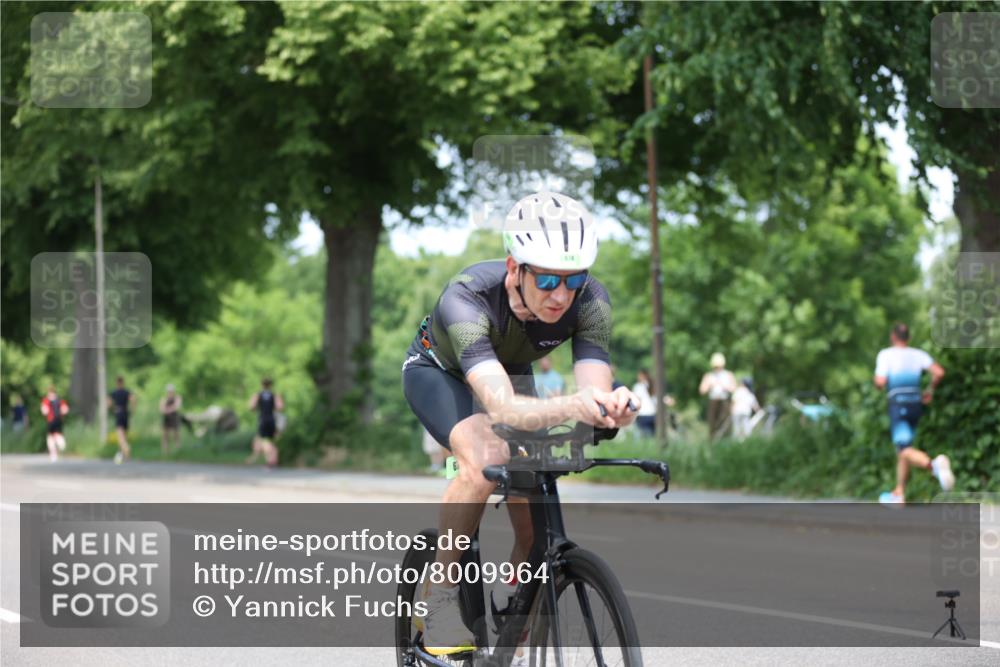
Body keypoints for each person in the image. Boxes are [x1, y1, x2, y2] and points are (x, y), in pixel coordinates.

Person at [401, 191, 638, 658]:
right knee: (483, 458)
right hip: (441, 373)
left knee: (534, 521)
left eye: (573, 280)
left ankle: (514, 606)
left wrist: (612, 407)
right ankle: (439, 598)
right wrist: (574, 404)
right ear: (515, 268)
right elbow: (505, 409)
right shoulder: (466, 299)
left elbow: (594, 385)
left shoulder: (591, 301)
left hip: (509, 373)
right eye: (547, 278)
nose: (561, 295)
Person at [874, 323, 954, 505]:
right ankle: (899, 493)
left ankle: (933, 465)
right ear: (908, 338)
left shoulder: (886, 355)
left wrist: (878, 384)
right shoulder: (918, 354)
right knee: (904, 448)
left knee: (904, 448)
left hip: (898, 404)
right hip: (916, 404)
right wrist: (929, 390)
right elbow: (939, 372)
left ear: (893, 337)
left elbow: (880, 381)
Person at [699, 352, 737, 441]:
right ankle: (713, 442)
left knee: (725, 424)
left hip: (725, 401)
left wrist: (725, 386)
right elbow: (702, 390)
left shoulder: (728, 375)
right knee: (713, 424)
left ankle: (726, 442)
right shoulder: (709, 376)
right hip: (713, 401)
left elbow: (734, 388)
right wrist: (709, 385)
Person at [247, 377, 283, 468]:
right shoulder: (274, 395)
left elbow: (251, 407)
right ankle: (273, 459)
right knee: (268, 440)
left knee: (264, 441)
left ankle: (270, 460)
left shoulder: (258, 395)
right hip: (272, 419)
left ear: (262, 385)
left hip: (263, 419)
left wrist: (259, 407)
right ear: (271, 385)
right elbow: (280, 407)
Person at [108, 376, 134, 464]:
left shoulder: (114, 393)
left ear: (117, 383)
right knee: (124, 436)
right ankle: (122, 455)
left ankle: (126, 449)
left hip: (118, 413)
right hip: (126, 414)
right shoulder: (127, 392)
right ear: (123, 382)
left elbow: (108, 403)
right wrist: (132, 410)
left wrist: (112, 410)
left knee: (120, 437)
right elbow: (133, 400)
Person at [39, 386, 69, 461]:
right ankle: (61, 446)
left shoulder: (46, 400)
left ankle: (53, 453)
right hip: (59, 420)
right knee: (58, 434)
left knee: (51, 437)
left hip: (51, 420)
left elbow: (44, 411)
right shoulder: (60, 400)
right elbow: (65, 409)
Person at [632, 369, 656, 438]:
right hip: (653, 414)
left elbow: (636, 401)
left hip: (642, 414)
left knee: (642, 437)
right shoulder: (652, 385)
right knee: (652, 437)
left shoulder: (638, 387)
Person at [159, 384, 183, 455]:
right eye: (169, 391)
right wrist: (169, 409)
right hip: (166, 418)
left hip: (174, 417)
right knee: (165, 435)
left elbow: (177, 406)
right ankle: (165, 451)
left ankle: (178, 449)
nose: (170, 393)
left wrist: (168, 409)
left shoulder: (177, 397)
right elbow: (161, 409)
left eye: (171, 391)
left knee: (176, 434)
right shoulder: (164, 398)